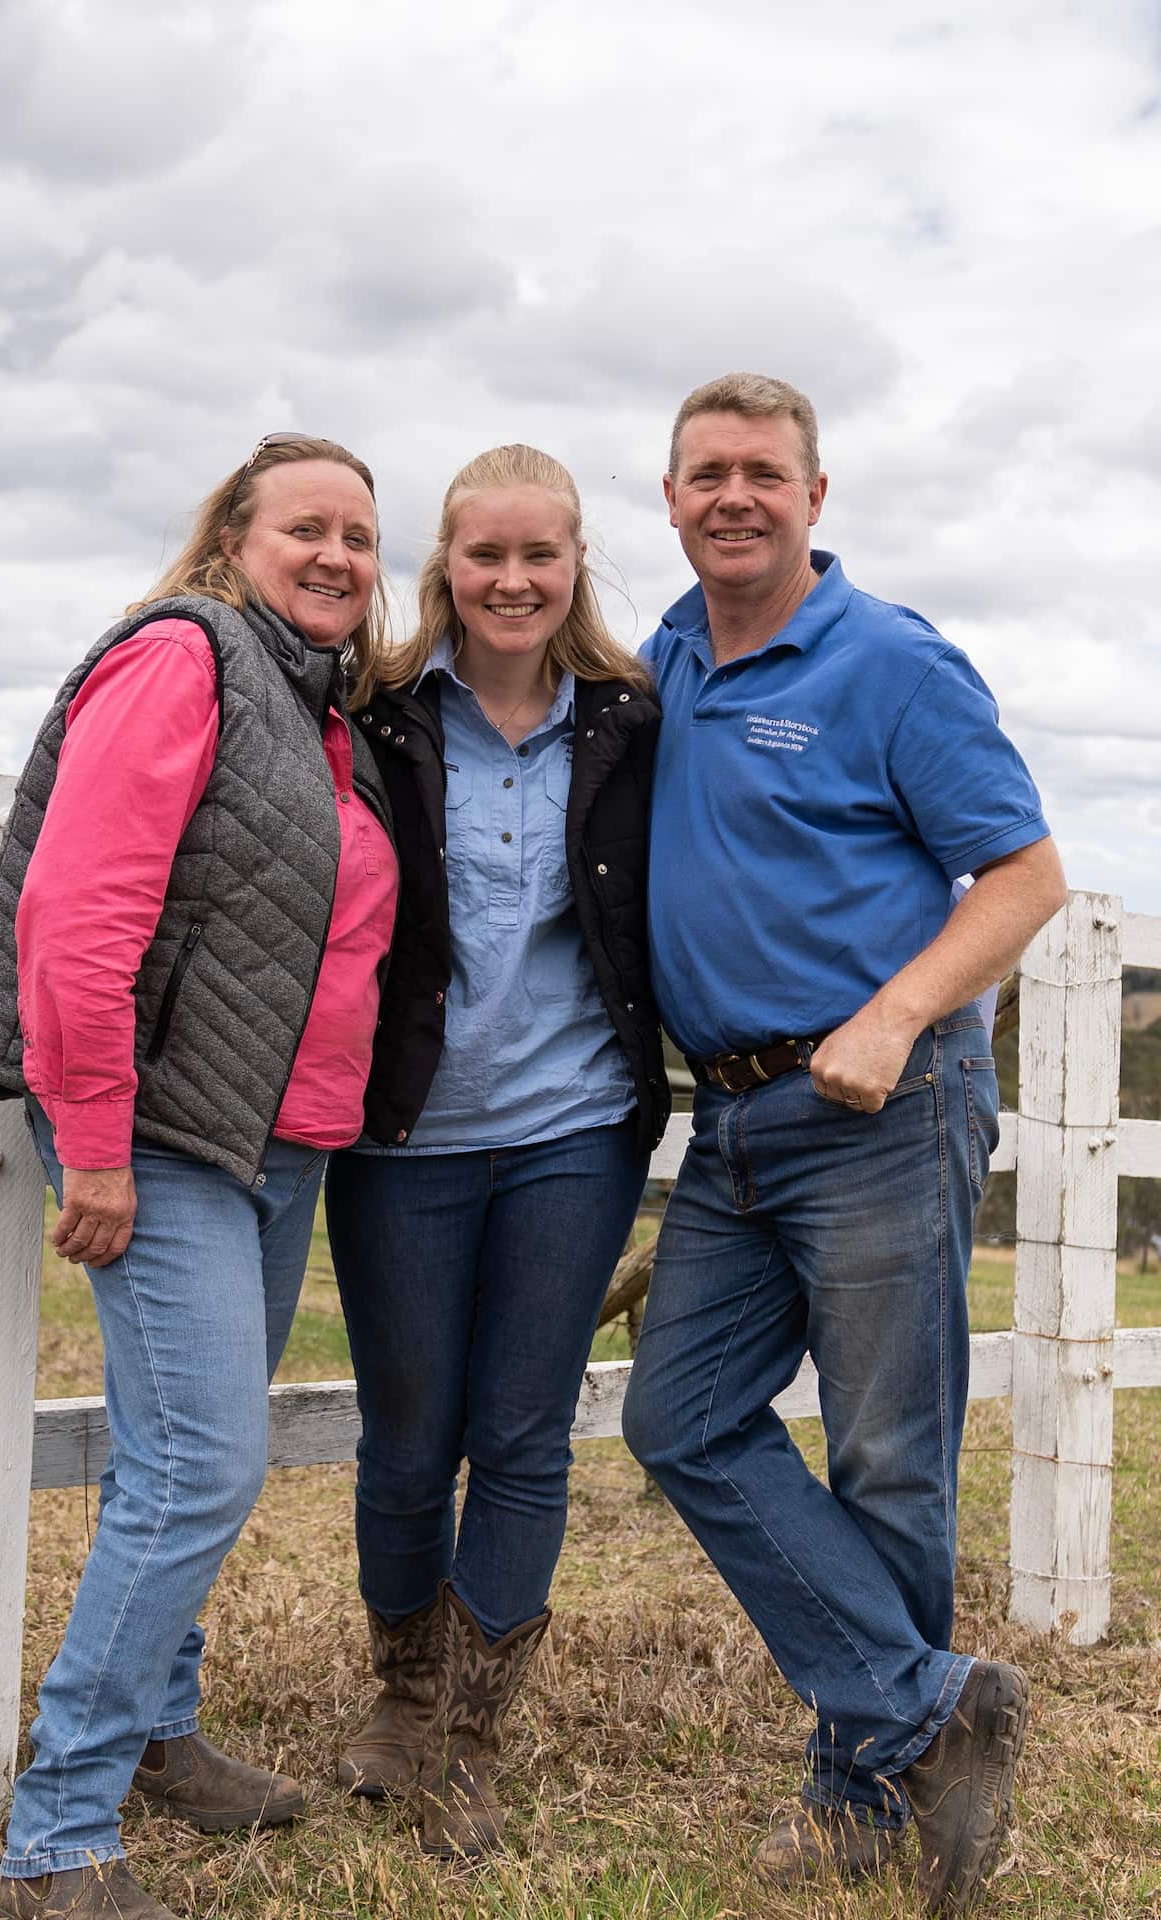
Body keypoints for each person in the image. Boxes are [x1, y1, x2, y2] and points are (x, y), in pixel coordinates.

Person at [0, 435, 400, 1920]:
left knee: (180, 1455)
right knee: (202, 1468)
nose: (335, 555)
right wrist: (102, 1145)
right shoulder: (182, 660)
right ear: (233, 541)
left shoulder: (327, 715)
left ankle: (163, 1737)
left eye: (362, 537)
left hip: (278, 1137)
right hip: (172, 1135)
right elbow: (79, 910)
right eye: (304, 527)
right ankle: (56, 1834)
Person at [620, 375, 1067, 1915]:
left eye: (763, 472)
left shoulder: (891, 661)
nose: (732, 496)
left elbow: (1020, 874)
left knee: (885, 1455)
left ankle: (861, 1807)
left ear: (819, 495)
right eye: (705, 475)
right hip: (734, 1114)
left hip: (881, 1101)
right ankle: (931, 1708)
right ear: (668, 501)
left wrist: (893, 1017)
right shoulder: (668, 655)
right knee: (679, 1420)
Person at [324, 443, 670, 1858]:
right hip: (403, 1133)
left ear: (576, 562)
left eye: (543, 554)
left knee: (524, 1437)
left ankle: (471, 1734)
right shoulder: (376, 713)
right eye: (488, 556)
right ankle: (402, 1696)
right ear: (446, 568)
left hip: (575, 1132)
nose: (515, 580)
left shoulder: (637, 721)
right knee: (409, 1437)